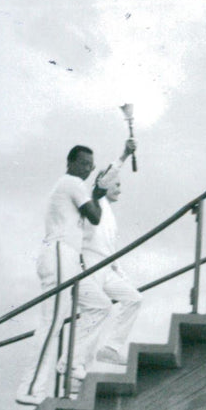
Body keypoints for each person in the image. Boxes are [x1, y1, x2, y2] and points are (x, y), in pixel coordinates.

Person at [15, 139, 135, 406]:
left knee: (100, 306)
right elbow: (94, 214)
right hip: (58, 252)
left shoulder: (76, 187)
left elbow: (95, 199)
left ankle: (69, 363)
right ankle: (30, 389)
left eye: (90, 166)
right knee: (52, 323)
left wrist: (108, 177)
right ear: (70, 163)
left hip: (68, 258)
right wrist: (98, 191)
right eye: (83, 163)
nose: (87, 169)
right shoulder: (70, 182)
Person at [60, 159, 142, 377]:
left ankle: (110, 348)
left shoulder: (111, 215)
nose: (120, 190)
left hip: (106, 268)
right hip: (90, 265)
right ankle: (70, 363)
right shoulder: (94, 202)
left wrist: (123, 277)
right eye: (117, 185)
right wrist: (124, 156)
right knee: (94, 314)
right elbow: (101, 184)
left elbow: (110, 251)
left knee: (134, 298)